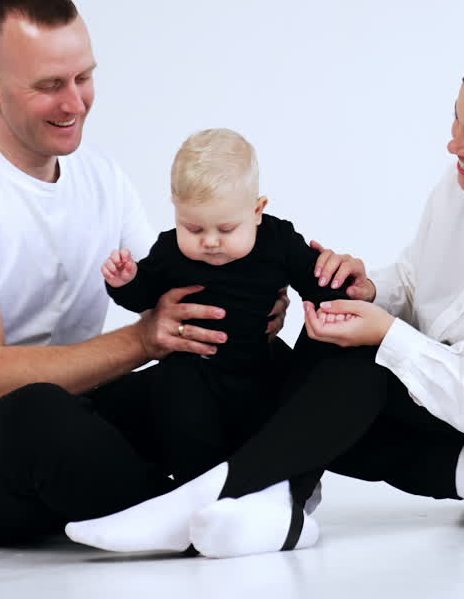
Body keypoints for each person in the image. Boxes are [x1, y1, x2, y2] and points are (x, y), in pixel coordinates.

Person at [65, 41, 464, 559]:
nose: (453, 144)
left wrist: (389, 336)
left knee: (353, 371)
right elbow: (420, 280)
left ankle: (229, 495)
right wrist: (369, 290)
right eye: (457, 121)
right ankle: (279, 498)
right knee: (325, 348)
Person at [0, 0, 290, 546]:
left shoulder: (100, 176)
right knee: (37, 412)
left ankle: (249, 495)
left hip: (78, 418)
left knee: (214, 362)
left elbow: (179, 286)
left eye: (84, 77)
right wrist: (145, 339)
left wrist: (256, 300)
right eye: (49, 85)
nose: (74, 102)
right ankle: (193, 516)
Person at [100, 128, 348, 486]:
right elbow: (143, 296)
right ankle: (195, 488)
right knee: (181, 407)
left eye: (227, 228)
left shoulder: (276, 241)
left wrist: (337, 293)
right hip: (194, 369)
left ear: (258, 210)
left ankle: (280, 486)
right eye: (194, 227)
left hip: (259, 361)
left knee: (285, 395)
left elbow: (315, 279)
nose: (210, 241)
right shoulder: (170, 251)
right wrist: (125, 281)